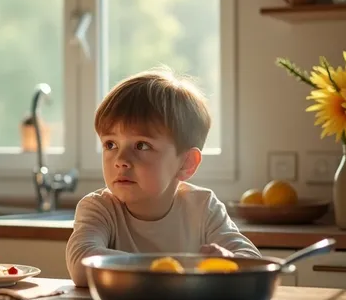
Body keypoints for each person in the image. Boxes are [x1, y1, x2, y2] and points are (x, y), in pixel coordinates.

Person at [65, 66, 260, 287]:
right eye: (110, 144)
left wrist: (228, 261)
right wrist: (172, 267)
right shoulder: (99, 208)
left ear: (186, 163)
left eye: (141, 145)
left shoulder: (203, 207)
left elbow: (252, 262)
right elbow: (81, 265)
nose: (120, 159)